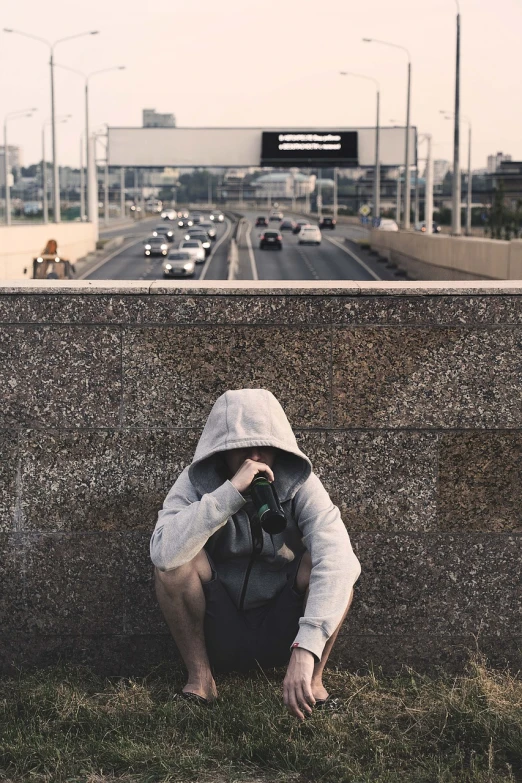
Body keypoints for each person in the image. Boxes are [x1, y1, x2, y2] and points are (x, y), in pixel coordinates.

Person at [151, 388, 361, 722]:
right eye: (241, 447)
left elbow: (340, 559)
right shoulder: (195, 483)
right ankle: (201, 681)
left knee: (333, 569)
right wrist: (229, 493)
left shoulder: (302, 485)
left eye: (266, 446)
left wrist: (306, 648)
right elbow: (163, 554)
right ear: (221, 450)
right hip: (218, 624)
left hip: (283, 625)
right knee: (177, 563)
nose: (255, 456)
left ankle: (313, 682)